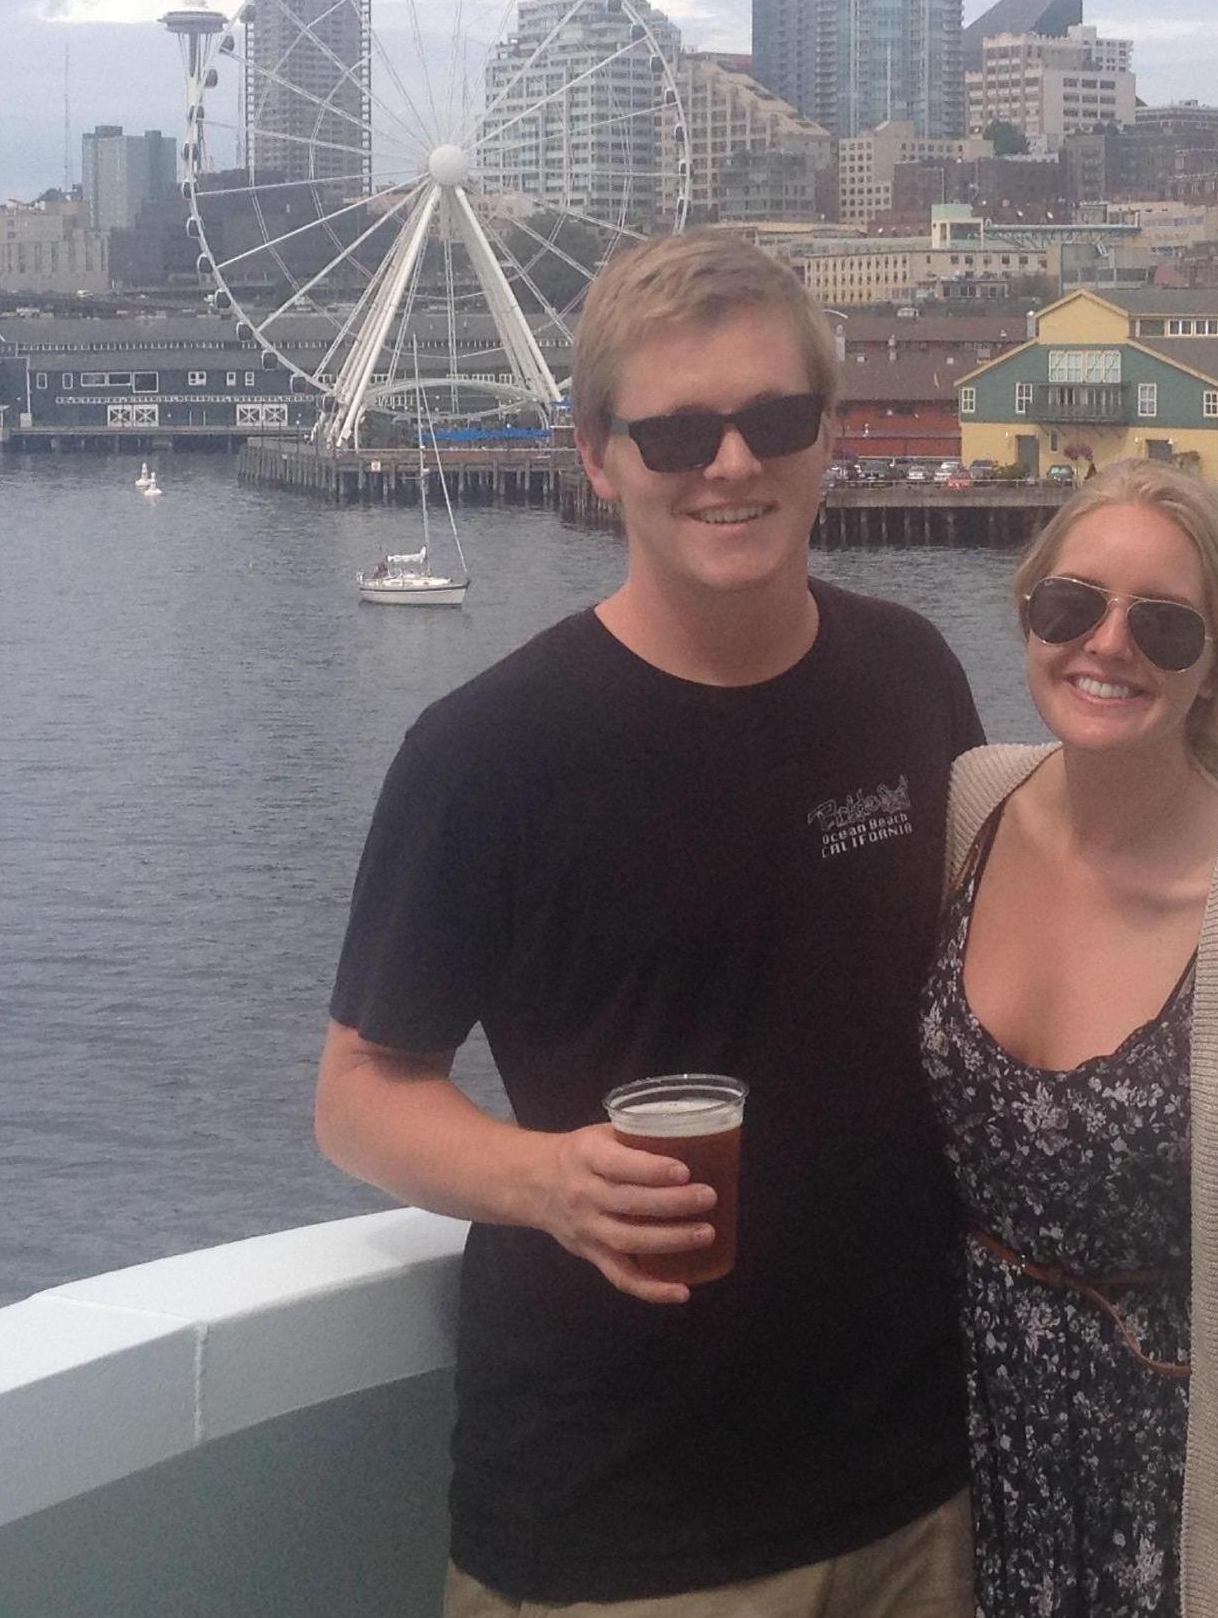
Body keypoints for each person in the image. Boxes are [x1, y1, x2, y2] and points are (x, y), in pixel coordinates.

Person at [316, 232, 984, 1616]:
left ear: (827, 438)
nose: (730, 465)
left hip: (917, 1488)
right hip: (617, 1529)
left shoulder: (910, 677)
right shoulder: (487, 751)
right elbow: (361, 1097)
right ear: (598, 453)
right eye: (676, 431)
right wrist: (543, 1180)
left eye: (773, 420)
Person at [920, 460, 1218, 1618]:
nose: (1106, 644)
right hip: (949, 1463)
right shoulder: (966, 808)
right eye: (1069, 604)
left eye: (1163, 623)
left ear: (1214, 666)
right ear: (1025, 614)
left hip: (1160, 1494)